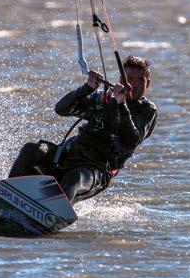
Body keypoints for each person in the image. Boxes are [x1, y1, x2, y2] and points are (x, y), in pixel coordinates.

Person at [8, 55, 157, 205]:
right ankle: (7, 196)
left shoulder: (147, 110)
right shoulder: (103, 98)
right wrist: (87, 88)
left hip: (95, 171)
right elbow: (61, 109)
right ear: (121, 79)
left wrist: (121, 104)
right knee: (31, 150)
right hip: (68, 155)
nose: (133, 85)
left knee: (73, 178)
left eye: (140, 80)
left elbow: (132, 140)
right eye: (129, 78)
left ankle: (54, 213)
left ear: (148, 83)